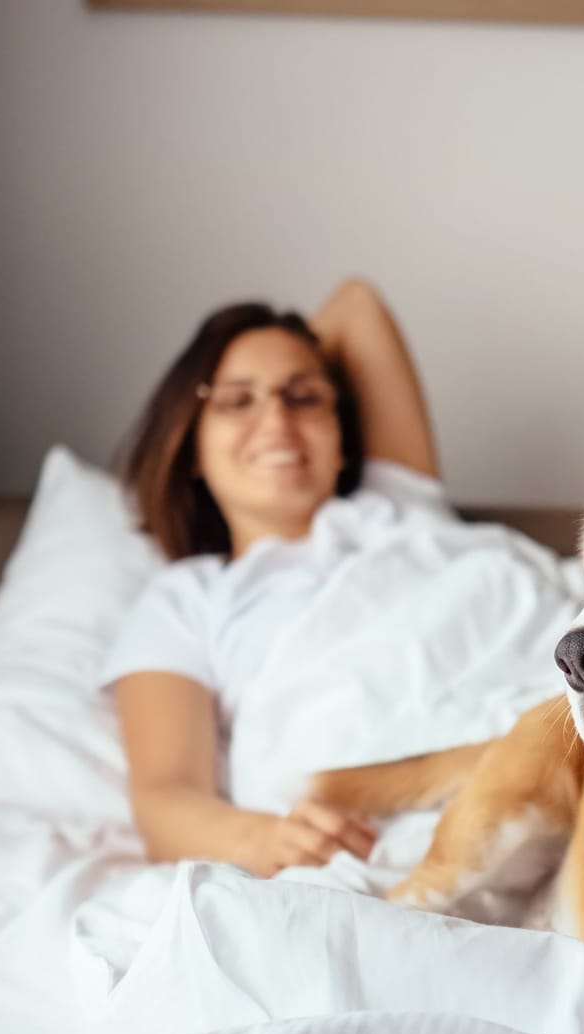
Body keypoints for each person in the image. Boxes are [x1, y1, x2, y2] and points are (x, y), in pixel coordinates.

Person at [103, 278, 444, 876]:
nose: (277, 419)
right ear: (192, 448)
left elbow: (356, 304)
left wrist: (275, 358)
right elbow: (164, 798)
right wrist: (268, 841)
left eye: (303, 397)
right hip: (378, 826)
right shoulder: (187, 599)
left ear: (342, 440)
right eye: (237, 402)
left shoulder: (400, 508)